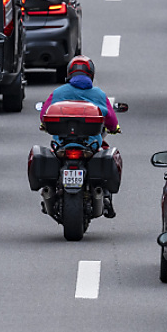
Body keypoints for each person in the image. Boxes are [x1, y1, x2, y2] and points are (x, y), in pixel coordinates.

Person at [39, 55, 120, 217]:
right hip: (91, 146)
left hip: (61, 145)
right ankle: (106, 197)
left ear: (69, 73)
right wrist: (115, 128)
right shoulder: (98, 94)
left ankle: (49, 191)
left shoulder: (58, 92)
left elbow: (43, 115)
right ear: (91, 74)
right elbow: (111, 120)